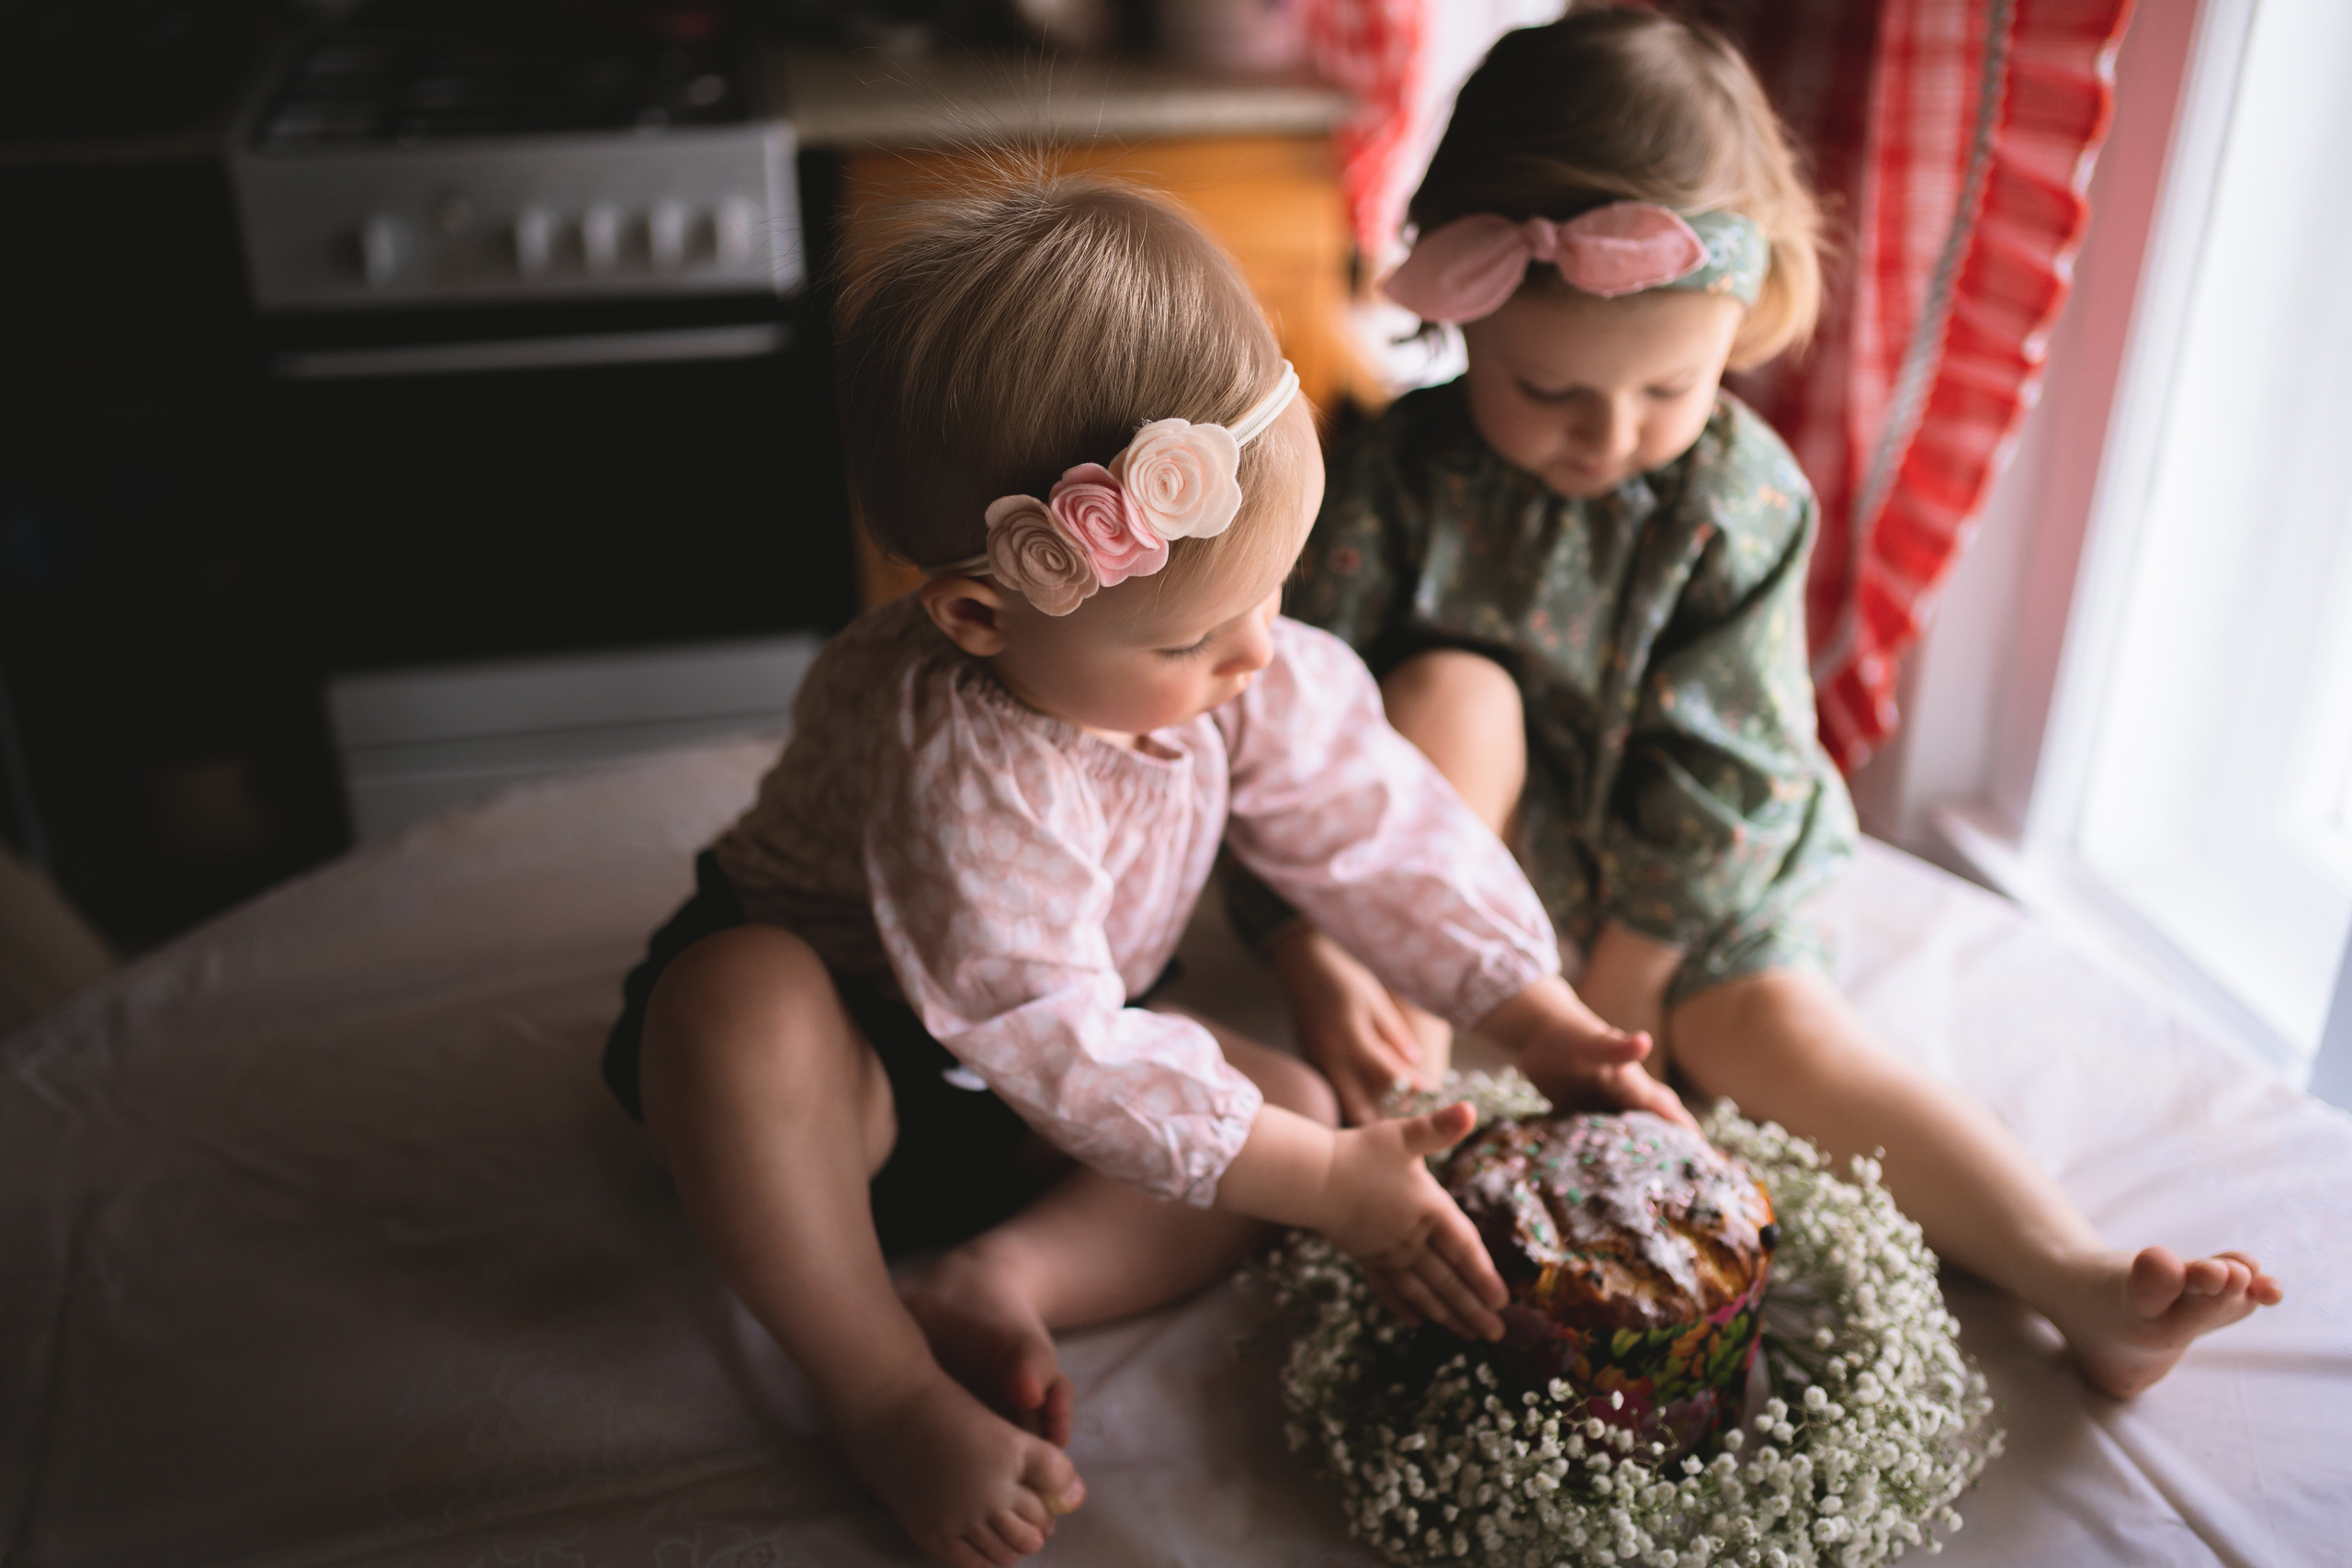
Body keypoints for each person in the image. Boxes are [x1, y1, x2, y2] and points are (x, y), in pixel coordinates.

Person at [599, 172, 1686, 1568]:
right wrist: (1331, 1187)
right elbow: (1035, 1028)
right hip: (859, 1063)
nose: (1251, 659)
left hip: (1060, 1048)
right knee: (732, 1007)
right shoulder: (965, 750)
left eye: (1271, 598)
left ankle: (997, 1273)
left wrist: (1538, 1015)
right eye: (1189, 643)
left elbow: (1373, 822)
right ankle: (879, 1387)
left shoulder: (1234, 648)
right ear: (982, 614)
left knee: (1286, 1105)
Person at [1241, 6, 2281, 1404]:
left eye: (1668, 387)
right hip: (1478, 849)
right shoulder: (1385, 480)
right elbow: (1276, 738)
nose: (1606, 439)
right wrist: (1312, 950)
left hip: (1688, 882)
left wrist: (1623, 1001)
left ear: (1745, 322)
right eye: (1548, 388)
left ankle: (2078, 1277)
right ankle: (1413, 1121)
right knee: (1447, 691)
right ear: (1460, 308)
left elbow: (1730, 778)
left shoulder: (1740, 503)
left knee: (1782, 1040)